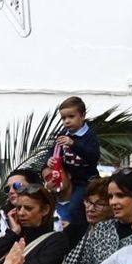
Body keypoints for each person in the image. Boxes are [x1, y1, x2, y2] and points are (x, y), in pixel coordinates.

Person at [47, 96, 101, 224]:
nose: (67, 121)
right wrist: (49, 161)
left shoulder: (89, 136)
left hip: (85, 181)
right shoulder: (64, 134)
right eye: (64, 118)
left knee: (74, 209)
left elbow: (93, 156)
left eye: (71, 117)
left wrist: (73, 144)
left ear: (82, 116)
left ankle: (78, 232)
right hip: (67, 181)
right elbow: (54, 151)